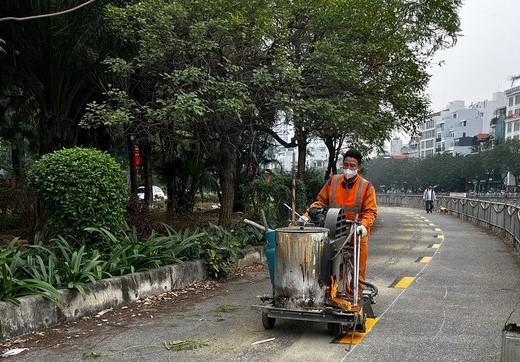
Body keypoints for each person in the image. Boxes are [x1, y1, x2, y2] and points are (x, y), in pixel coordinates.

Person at [300, 148, 377, 284]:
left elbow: (370, 211)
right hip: (333, 233)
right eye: (345, 165)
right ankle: (329, 294)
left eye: (352, 166)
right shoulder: (333, 181)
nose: (348, 169)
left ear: (359, 167)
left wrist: (363, 226)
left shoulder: (366, 187)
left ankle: (355, 298)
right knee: (329, 268)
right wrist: (307, 215)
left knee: (357, 272)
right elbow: (320, 202)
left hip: (356, 233)